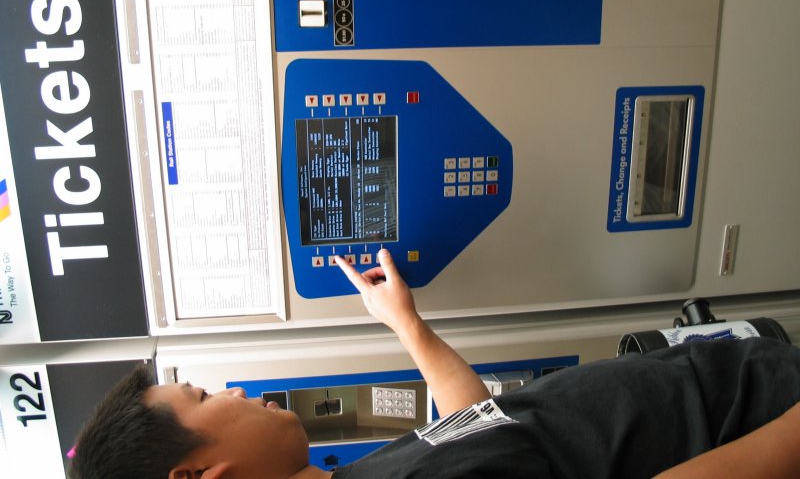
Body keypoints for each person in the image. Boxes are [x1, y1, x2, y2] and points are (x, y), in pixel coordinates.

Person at [69, 249, 800, 479]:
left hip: (739, 390)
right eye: (203, 398)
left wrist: (406, 325)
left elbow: (476, 424)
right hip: (755, 424)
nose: (232, 390)